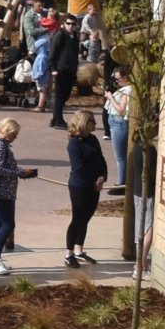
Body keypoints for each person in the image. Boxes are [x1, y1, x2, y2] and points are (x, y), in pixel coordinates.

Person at [0, 119, 37, 274]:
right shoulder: (0, 145)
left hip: (4, 190)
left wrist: (21, 171)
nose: (16, 136)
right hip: (3, 190)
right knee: (8, 225)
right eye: (14, 133)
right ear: (7, 131)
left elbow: (4, 167)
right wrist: (20, 173)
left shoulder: (0, 144)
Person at [61, 112, 108, 268]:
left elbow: (101, 159)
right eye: (92, 121)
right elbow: (78, 166)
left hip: (94, 184)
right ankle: (69, 254)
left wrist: (102, 177)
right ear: (83, 123)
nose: (95, 124)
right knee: (78, 218)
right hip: (80, 185)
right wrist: (94, 180)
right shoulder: (74, 143)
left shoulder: (93, 139)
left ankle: (79, 249)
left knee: (87, 217)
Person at [102, 74, 134, 197]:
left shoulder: (128, 91)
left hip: (119, 123)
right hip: (116, 123)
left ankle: (121, 183)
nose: (116, 81)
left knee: (120, 156)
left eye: (118, 78)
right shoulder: (125, 89)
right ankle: (122, 181)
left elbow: (121, 110)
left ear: (126, 78)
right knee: (120, 156)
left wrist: (110, 97)